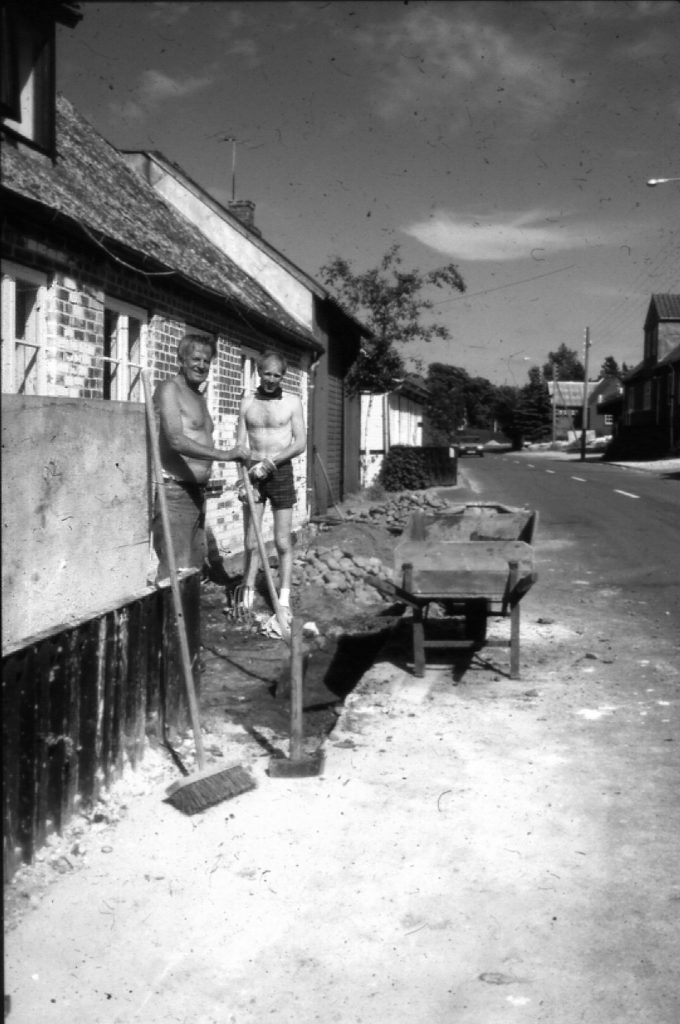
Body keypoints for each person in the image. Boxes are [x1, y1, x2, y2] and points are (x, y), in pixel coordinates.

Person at [152, 334, 247, 582]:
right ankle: (170, 621)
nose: (201, 365)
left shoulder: (199, 397)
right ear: (181, 359)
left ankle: (187, 621)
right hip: (174, 491)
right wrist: (225, 455)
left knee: (193, 571)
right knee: (175, 574)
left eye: (207, 361)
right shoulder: (169, 389)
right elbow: (175, 440)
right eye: (196, 358)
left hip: (197, 494)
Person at [236, 349, 306, 617]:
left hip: (280, 471)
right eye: (267, 373)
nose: (271, 379)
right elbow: (240, 445)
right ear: (259, 371)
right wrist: (245, 478)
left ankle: (284, 598)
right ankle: (247, 594)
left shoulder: (292, 402)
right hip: (252, 472)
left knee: (282, 540)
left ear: (282, 376)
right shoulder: (247, 402)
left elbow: (299, 443)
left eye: (277, 375)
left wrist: (271, 463)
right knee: (251, 540)